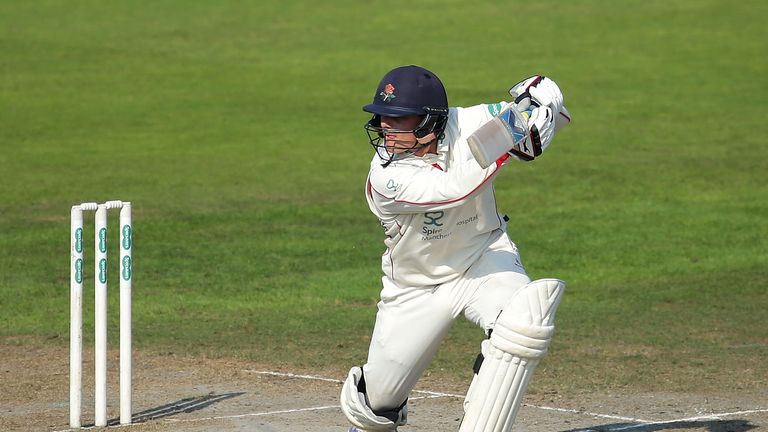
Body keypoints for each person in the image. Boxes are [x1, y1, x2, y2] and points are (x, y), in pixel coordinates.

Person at [340, 65, 570, 432]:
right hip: (416, 287)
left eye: (399, 119)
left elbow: (544, 105)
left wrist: (539, 105)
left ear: (431, 120)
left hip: (484, 256)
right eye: (383, 116)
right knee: (378, 404)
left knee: (523, 320)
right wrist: (514, 133)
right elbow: (455, 187)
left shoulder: (468, 122)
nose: (385, 126)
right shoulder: (385, 177)